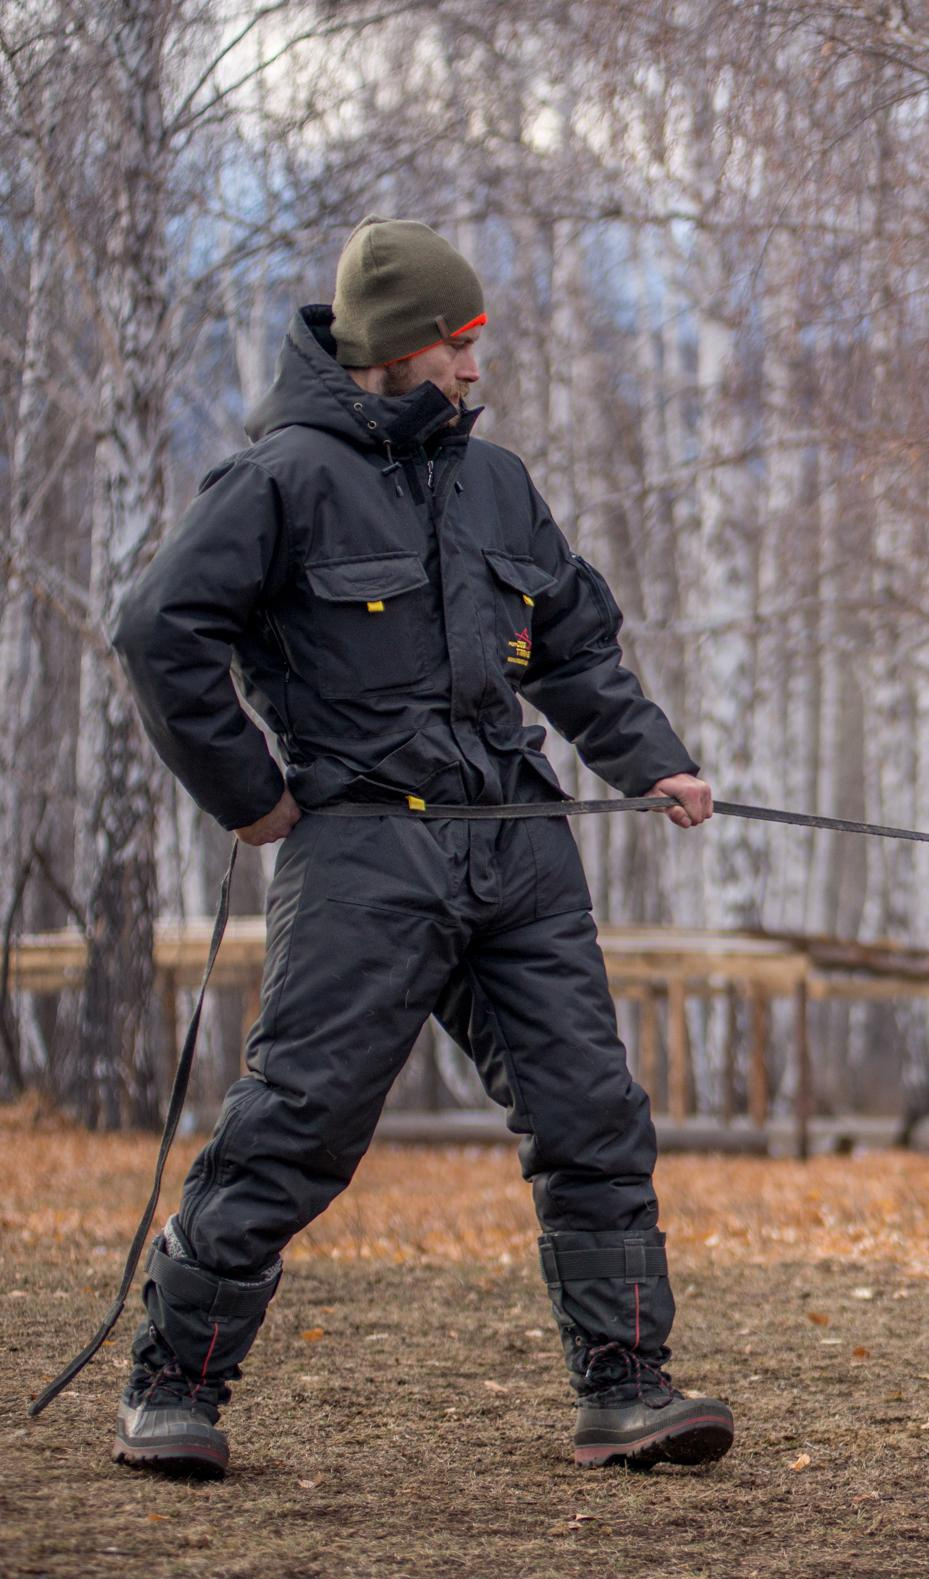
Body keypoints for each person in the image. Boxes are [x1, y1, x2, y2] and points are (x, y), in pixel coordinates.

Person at [108, 217, 733, 1478]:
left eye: (476, 340)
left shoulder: (497, 481)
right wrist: (250, 798)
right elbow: (157, 630)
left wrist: (651, 759)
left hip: (517, 845)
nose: (472, 364)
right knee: (299, 1119)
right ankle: (174, 1382)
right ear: (397, 348)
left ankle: (625, 1385)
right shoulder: (279, 478)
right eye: (457, 341)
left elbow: (572, 648)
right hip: (363, 859)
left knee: (593, 1113)